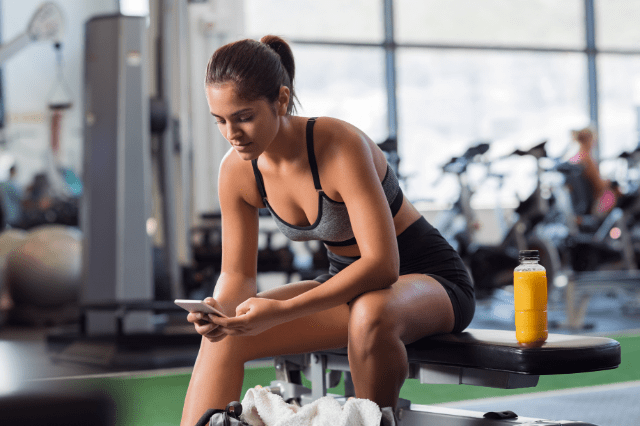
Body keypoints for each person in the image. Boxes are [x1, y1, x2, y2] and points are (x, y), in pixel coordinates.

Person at [180, 35, 475, 426]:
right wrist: (219, 312)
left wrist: (281, 310)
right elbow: (237, 275)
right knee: (224, 339)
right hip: (347, 286)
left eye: (244, 116)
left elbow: (383, 266)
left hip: (430, 280)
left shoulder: (339, 145)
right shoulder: (236, 170)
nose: (232, 133)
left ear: (281, 100)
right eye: (220, 120)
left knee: (372, 312)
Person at [568, 126, 619, 216]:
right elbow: (599, 185)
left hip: (583, 203)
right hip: (596, 203)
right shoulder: (587, 160)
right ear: (590, 139)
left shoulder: (575, 158)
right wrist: (609, 182)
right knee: (621, 194)